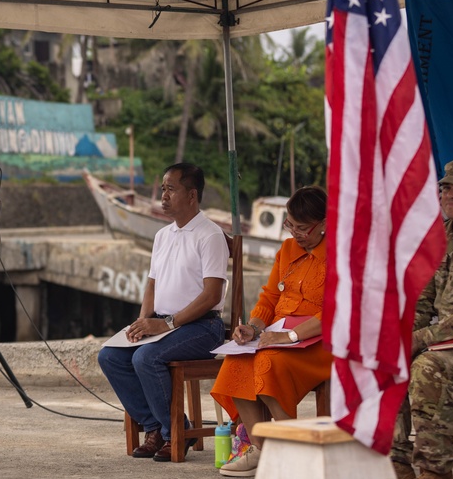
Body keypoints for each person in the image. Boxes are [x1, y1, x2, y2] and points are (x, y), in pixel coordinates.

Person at [98, 162, 229, 462]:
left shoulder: (209, 235)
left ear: (192, 195)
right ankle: (156, 426)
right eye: (163, 188)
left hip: (202, 327)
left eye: (171, 189)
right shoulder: (163, 235)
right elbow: (151, 286)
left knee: (147, 357)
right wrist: (144, 322)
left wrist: (166, 324)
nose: (164, 195)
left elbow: (212, 295)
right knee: (111, 356)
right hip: (165, 323)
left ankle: (174, 434)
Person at [210, 185, 331, 477]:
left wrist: (289, 336)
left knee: (268, 362)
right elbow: (269, 298)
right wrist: (253, 328)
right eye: (290, 225)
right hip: (278, 335)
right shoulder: (287, 250)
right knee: (236, 360)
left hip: (322, 342)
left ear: (325, 224)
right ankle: (262, 449)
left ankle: (294, 448)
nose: (295, 234)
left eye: (302, 228)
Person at [391, 159, 453, 479]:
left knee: (426, 367)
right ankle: (398, 462)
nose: (450, 194)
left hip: (448, 343)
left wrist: (418, 341)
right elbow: (422, 302)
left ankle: (435, 470)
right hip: (442, 340)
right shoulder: (440, 238)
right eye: (446, 187)